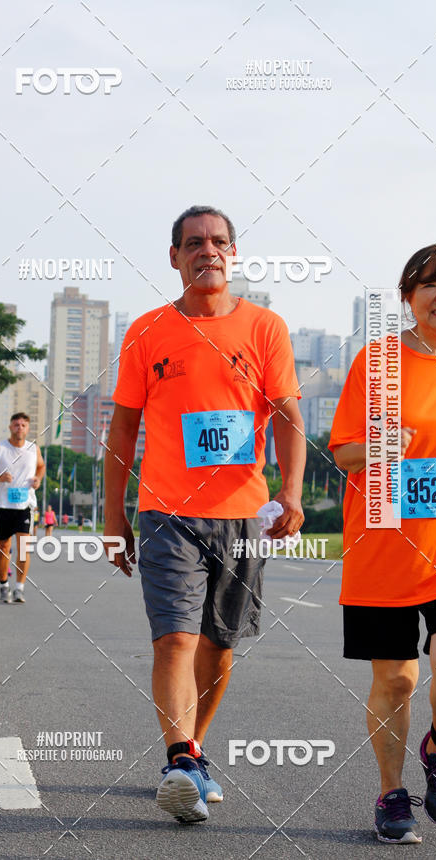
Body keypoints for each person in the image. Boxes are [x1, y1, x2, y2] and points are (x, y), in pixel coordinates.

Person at [104, 205, 305, 823]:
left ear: (233, 253)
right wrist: (114, 516)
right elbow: (123, 428)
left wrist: (292, 492)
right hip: (167, 513)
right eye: (194, 243)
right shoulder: (147, 331)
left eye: (218, 241)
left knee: (219, 649)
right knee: (174, 641)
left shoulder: (266, 327)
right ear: (175, 257)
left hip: (243, 516)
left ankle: (194, 749)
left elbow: (291, 418)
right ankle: (179, 762)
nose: (207, 251)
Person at [330, 243, 436, 844]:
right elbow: (342, 453)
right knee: (396, 680)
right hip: (383, 547)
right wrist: (384, 445)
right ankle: (391, 795)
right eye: (431, 286)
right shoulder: (379, 362)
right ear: (408, 298)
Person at [0, 412, 44, 603]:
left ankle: (19, 588)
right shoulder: (0, 448)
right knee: (3, 547)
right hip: (3, 506)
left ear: (28, 428)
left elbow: (40, 466)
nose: (20, 428)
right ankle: (3, 585)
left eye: (23, 425)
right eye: (16, 425)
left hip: (25, 505)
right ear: (10, 427)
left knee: (24, 548)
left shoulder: (34, 449)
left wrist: (38, 479)